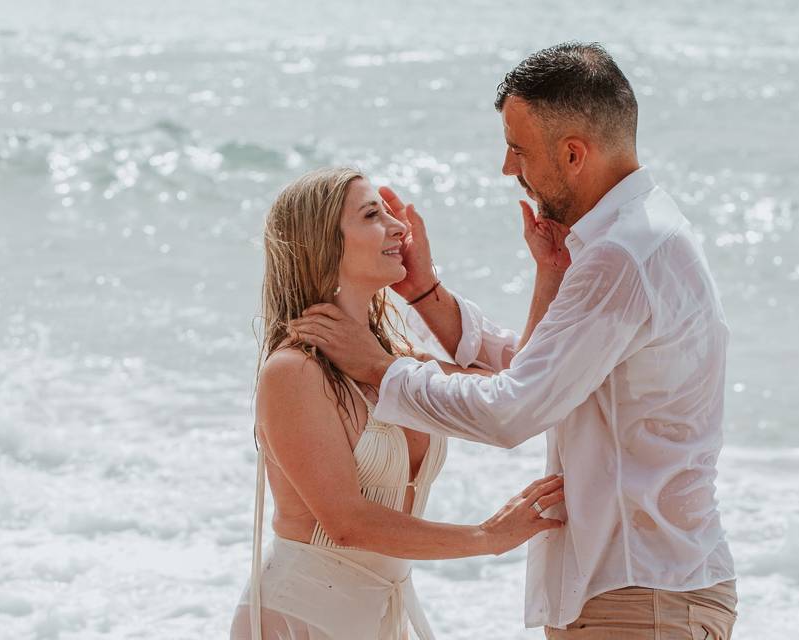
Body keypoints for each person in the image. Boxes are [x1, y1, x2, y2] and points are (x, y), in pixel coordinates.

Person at [291, 43, 738, 639]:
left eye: (518, 149)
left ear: (574, 153)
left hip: (638, 598)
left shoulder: (620, 257)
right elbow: (548, 374)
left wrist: (379, 368)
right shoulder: (641, 236)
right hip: (642, 591)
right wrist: (428, 296)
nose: (508, 168)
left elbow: (513, 408)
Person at [228, 167, 566, 640]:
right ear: (322, 244)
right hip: (303, 617)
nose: (399, 227)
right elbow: (346, 522)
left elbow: (521, 389)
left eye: (390, 212)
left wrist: (548, 272)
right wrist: (486, 537)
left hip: (384, 617)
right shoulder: (293, 372)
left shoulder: (397, 366)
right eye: (372, 214)